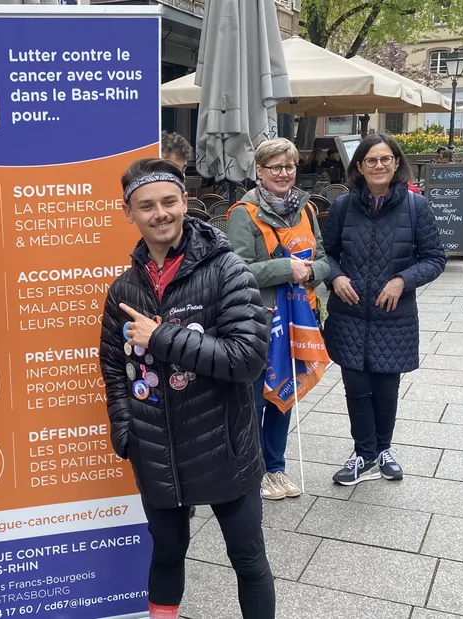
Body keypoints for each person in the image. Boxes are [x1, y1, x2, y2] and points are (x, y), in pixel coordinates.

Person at [99, 158, 273, 619]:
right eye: (147, 206)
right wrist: (126, 431)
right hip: (156, 450)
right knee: (166, 553)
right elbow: (113, 366)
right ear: (129, 213)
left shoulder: (227, 269)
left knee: (248, 557)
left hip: (224, 443)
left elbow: (247, 358)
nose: (160, 214)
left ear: (184, 202)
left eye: (169, 202)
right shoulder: (123, 289)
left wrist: (161, 337)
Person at [321, 133, 447, 485]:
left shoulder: (416, 207)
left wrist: (402, 281)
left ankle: (383, 449)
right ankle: (363, 453)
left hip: (394, 316)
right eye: (371, 160)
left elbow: (435, 258)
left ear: (396, 163)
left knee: (387, 387)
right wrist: (335, 276)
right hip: (349, 313)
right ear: (359, 167)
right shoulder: (343, 206)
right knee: (356, 387)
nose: (379, 165)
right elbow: (325, 252)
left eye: (385, 159)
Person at [227, 138, 328, 500]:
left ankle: (276, 467)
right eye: (275, 167)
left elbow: (324, 259)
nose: (284, 174)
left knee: (284, 395)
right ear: (260, 170)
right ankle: (252, 470)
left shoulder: (307, 210)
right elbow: (237, 270)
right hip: (261, 322)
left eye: (289, 166)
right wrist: (286, 268)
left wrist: (311, 271)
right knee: (255, 400)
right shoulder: (244, 213)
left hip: (300, 318)